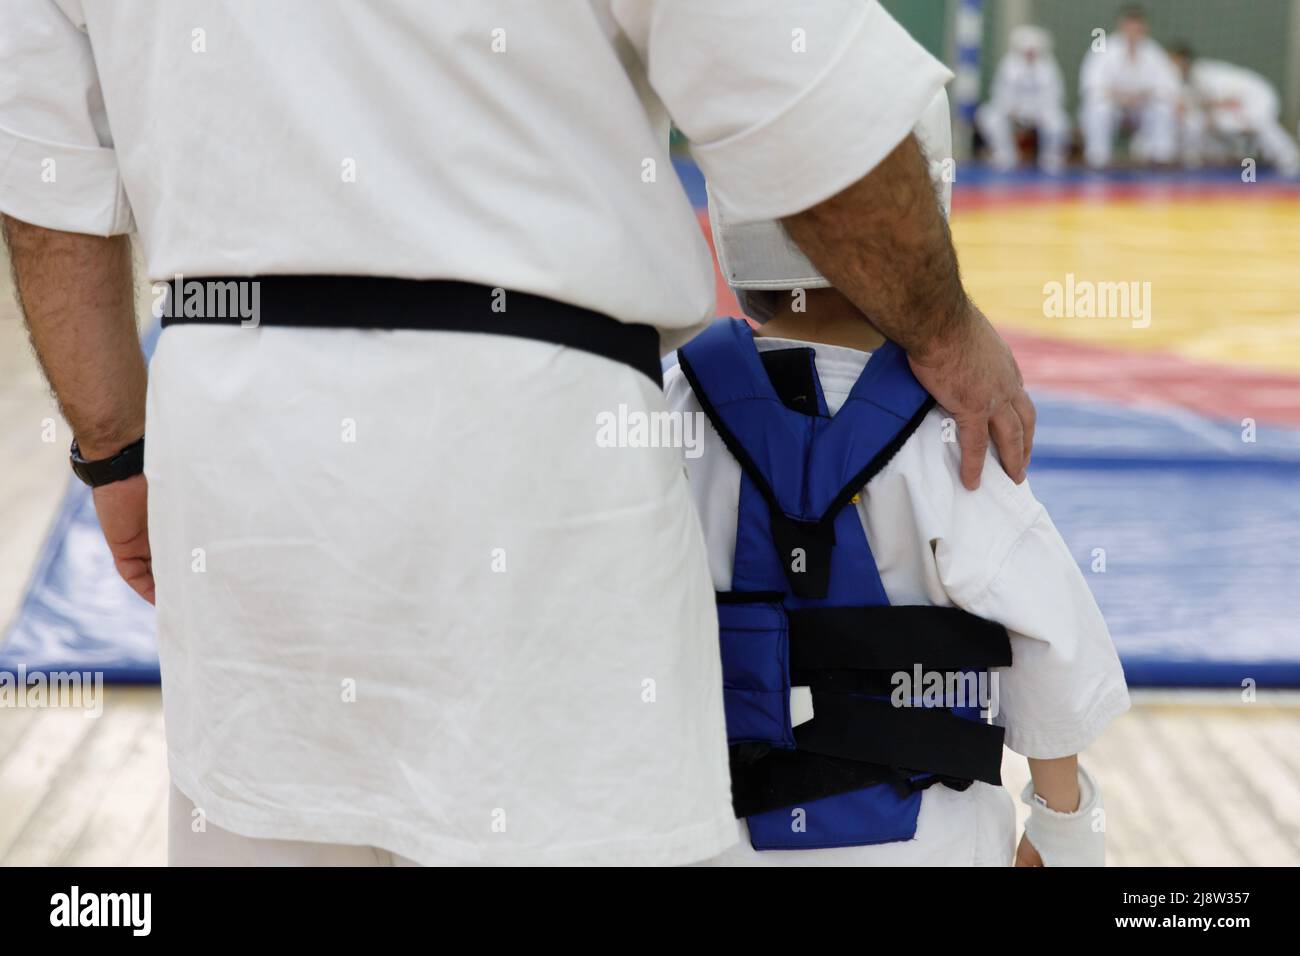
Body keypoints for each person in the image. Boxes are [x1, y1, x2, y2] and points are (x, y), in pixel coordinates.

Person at [0, 0, 1034, 866]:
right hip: (530, 440)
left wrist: (119, 449)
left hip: (239, 447)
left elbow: (47, 187)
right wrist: (944, 330)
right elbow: (807, 110)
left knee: (270, 822)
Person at [670, 91, 1129, 865]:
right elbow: (1052, 645)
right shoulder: (957, 429)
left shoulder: (666, 404)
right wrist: (1063, 828)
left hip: (705, 838)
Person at [1170, 44, 1299, 176]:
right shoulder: (1192, 78)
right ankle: (1274, 159)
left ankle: (1290, 160)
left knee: (1257, 125)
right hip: (1244, 102)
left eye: (1173, 60)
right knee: (1220, 124)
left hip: (1256, 97)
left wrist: (1210, 114)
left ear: (1183, 60)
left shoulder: (1203, 73)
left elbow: (1230, 100)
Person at [1079, 6, 1181, 169]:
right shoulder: (1103, 47)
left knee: (1162, 107)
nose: (1133, 30)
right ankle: (1098, 158)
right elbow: (1092, 85)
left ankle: (1160, 156)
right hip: (1113, 105)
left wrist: (1144, 96)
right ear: (1121, 25)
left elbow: (1168, 86)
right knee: (1098, 107)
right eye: (1129, 25)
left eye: (1138, 26)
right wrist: (1120, 97)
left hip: (1142, 107)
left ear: (1145, 27)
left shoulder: (1153, 51)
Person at [976, 26, 1069, 173]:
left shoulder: (1049, 67)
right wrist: (1011, 111)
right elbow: (999, 94)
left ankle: (1051, 157)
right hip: (1013, 112)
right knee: (989, 116)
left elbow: (1055, 96)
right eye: (1027, 51)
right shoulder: (1007, 65)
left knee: (1058, 122)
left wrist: (1040, 114)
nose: (1030, 54)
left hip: (1041, 113)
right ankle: (1004, 154)